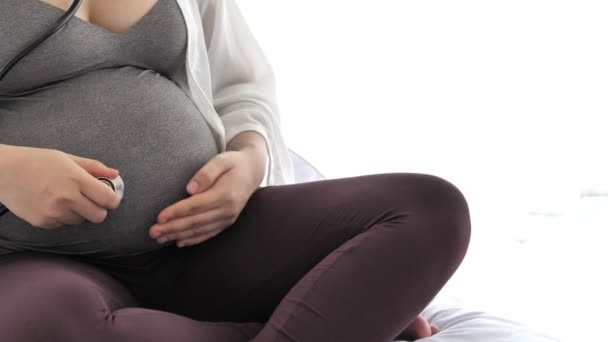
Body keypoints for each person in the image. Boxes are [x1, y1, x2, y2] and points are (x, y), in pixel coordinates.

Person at [0, 0, 471, 341]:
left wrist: (249, 157)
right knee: (49, 322)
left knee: (429, 209)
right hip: (36, 260)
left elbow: (241, 85)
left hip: (206, 243)